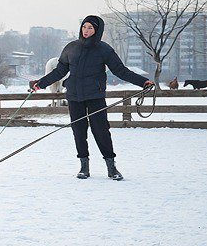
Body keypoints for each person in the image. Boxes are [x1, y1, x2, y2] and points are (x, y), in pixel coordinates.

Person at [31, 15, 154, 181]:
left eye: (90, 28)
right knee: (79, 132)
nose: (86, 30)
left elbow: (120, 70)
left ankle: (111, 167)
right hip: (74, 96)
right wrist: (40, 84)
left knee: (101, 131)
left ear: (97, 30)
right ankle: (84, 166)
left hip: (95, 96)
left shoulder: (104, 50)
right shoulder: (71, 48)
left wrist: (142, 82)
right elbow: (59, 72)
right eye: (84, 26)